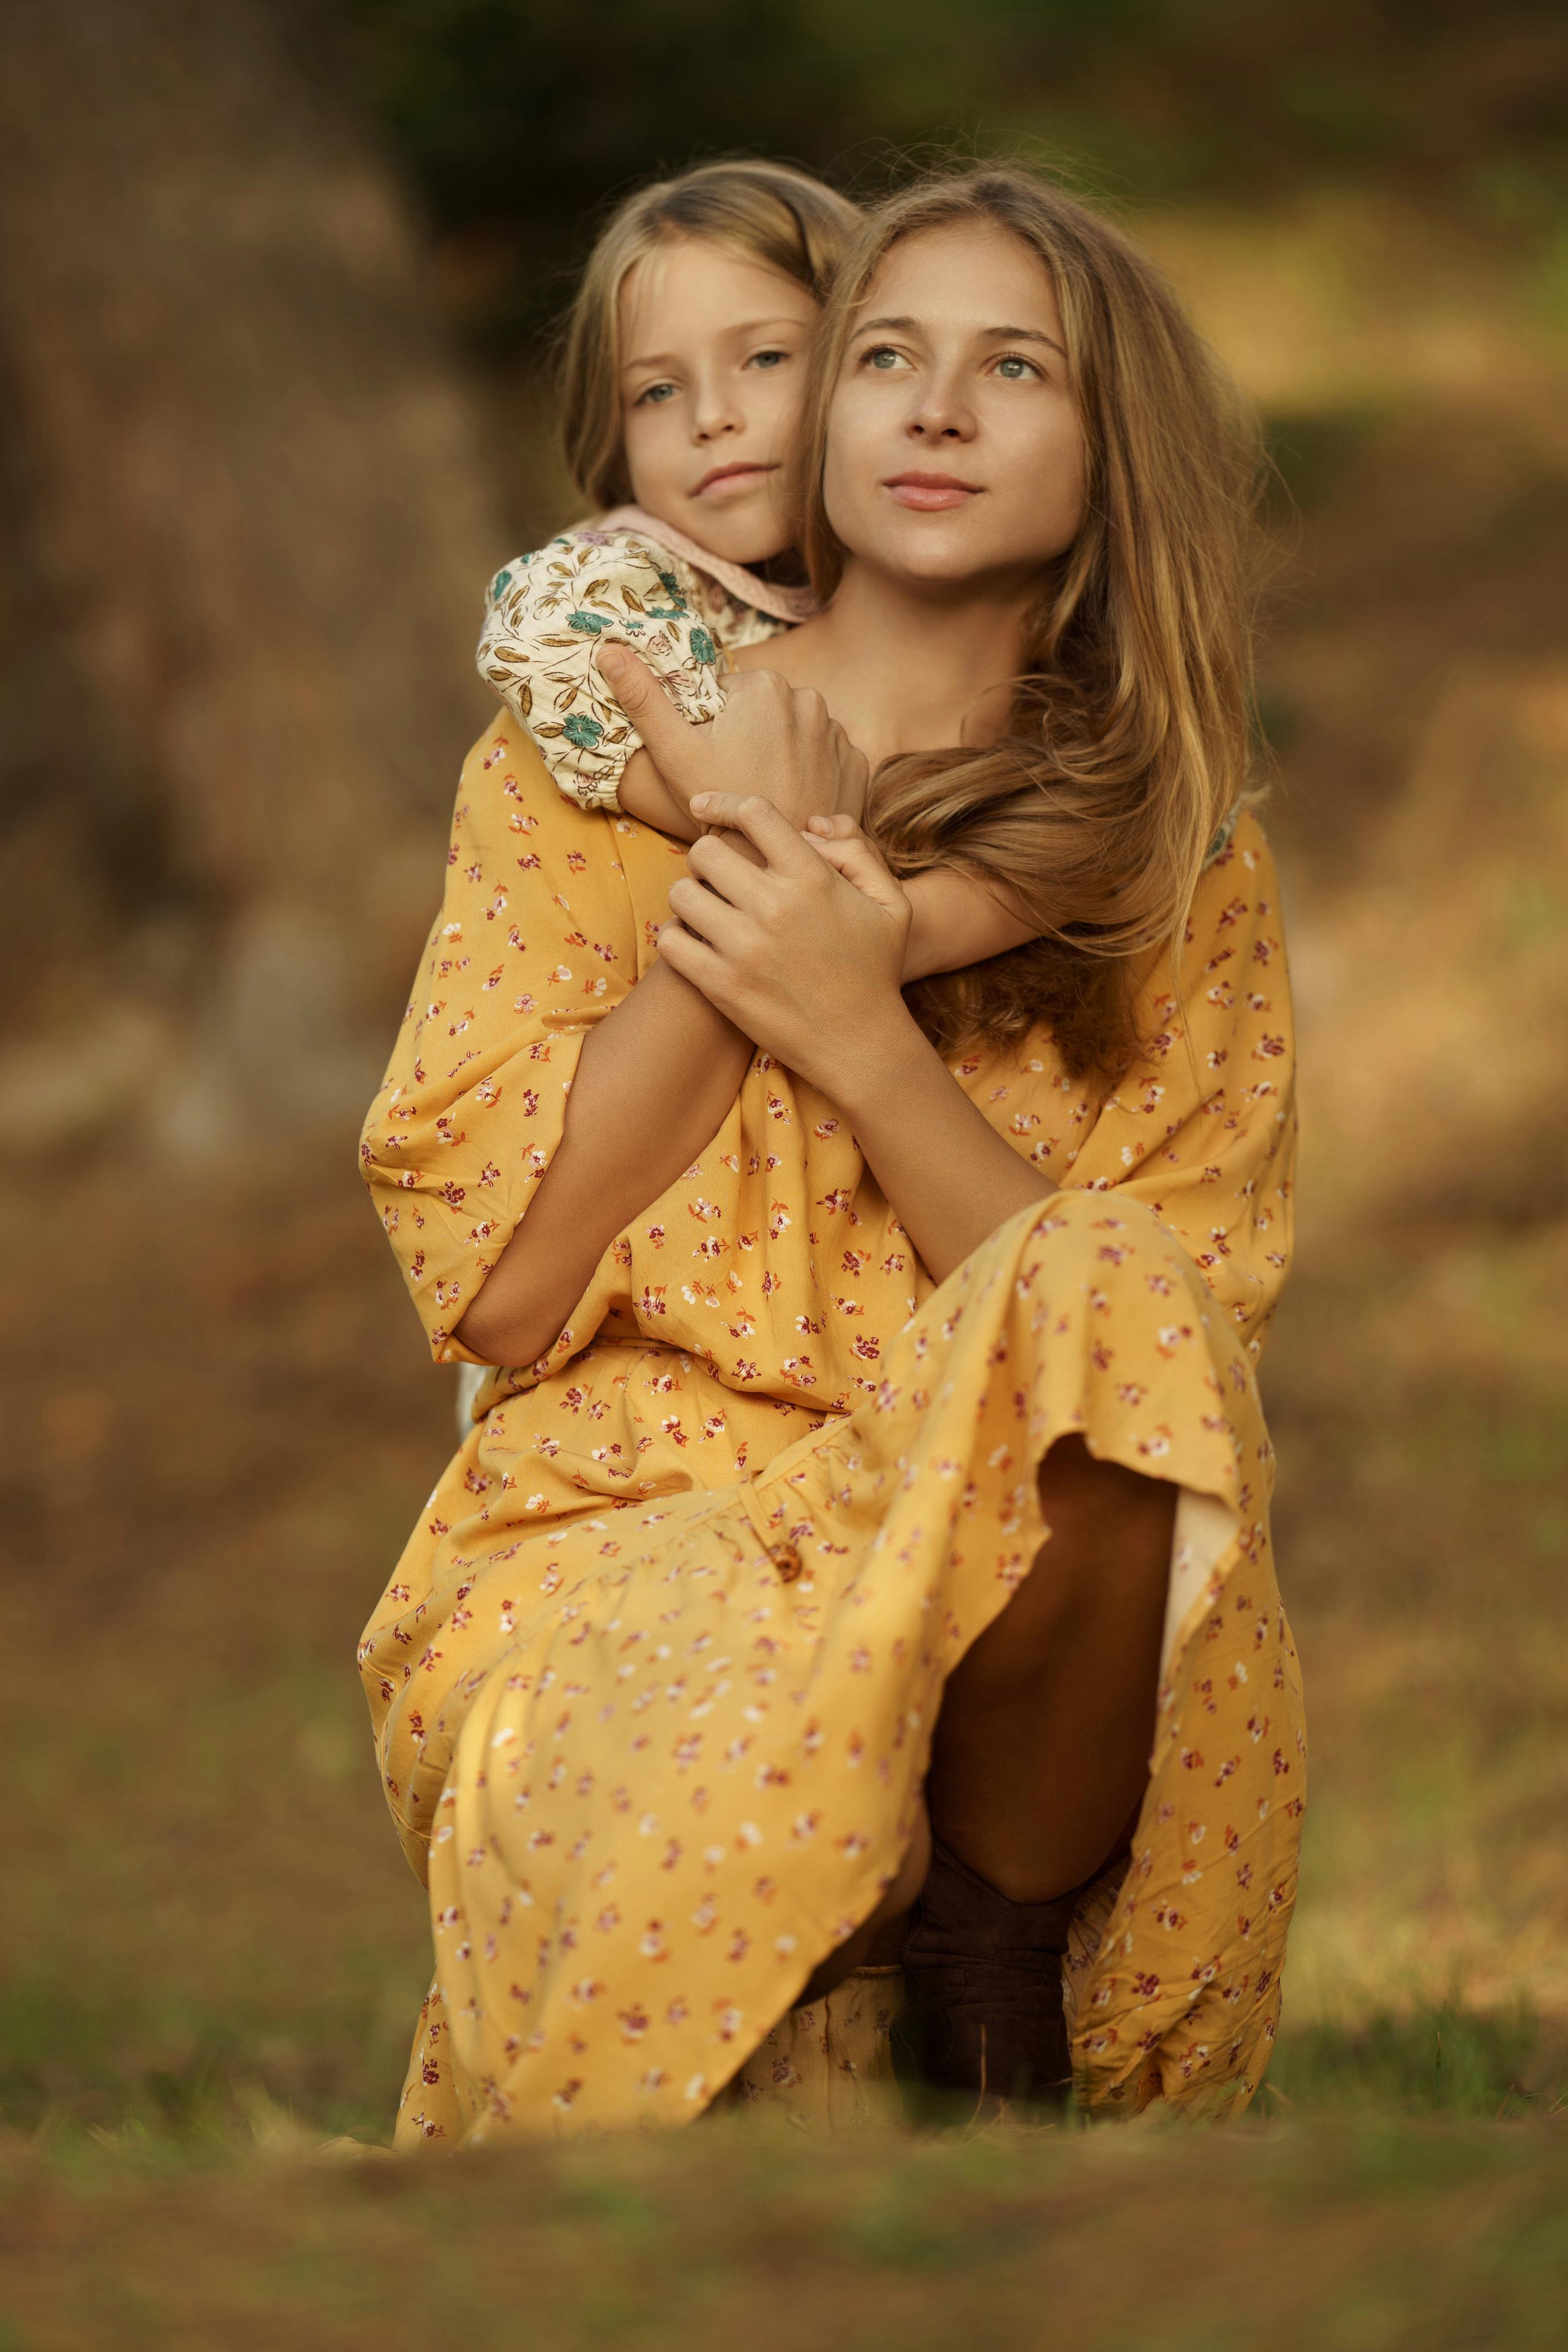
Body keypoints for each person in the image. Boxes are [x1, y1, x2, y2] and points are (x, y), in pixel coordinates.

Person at [358, 164, 1302, 2143]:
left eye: (1014, 369)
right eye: (888, 356)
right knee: (706, 1839)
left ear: (1111, 451)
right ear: (830, 418)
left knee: (1110, 1277)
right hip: (628, 1514)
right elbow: (506, 1293)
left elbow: (1155, 1374)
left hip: (1014, 1567)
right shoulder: (580, 772)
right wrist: (754, 879)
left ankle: (991, 1970)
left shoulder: (1174, 857)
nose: (937, 410)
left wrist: (864, 1035)